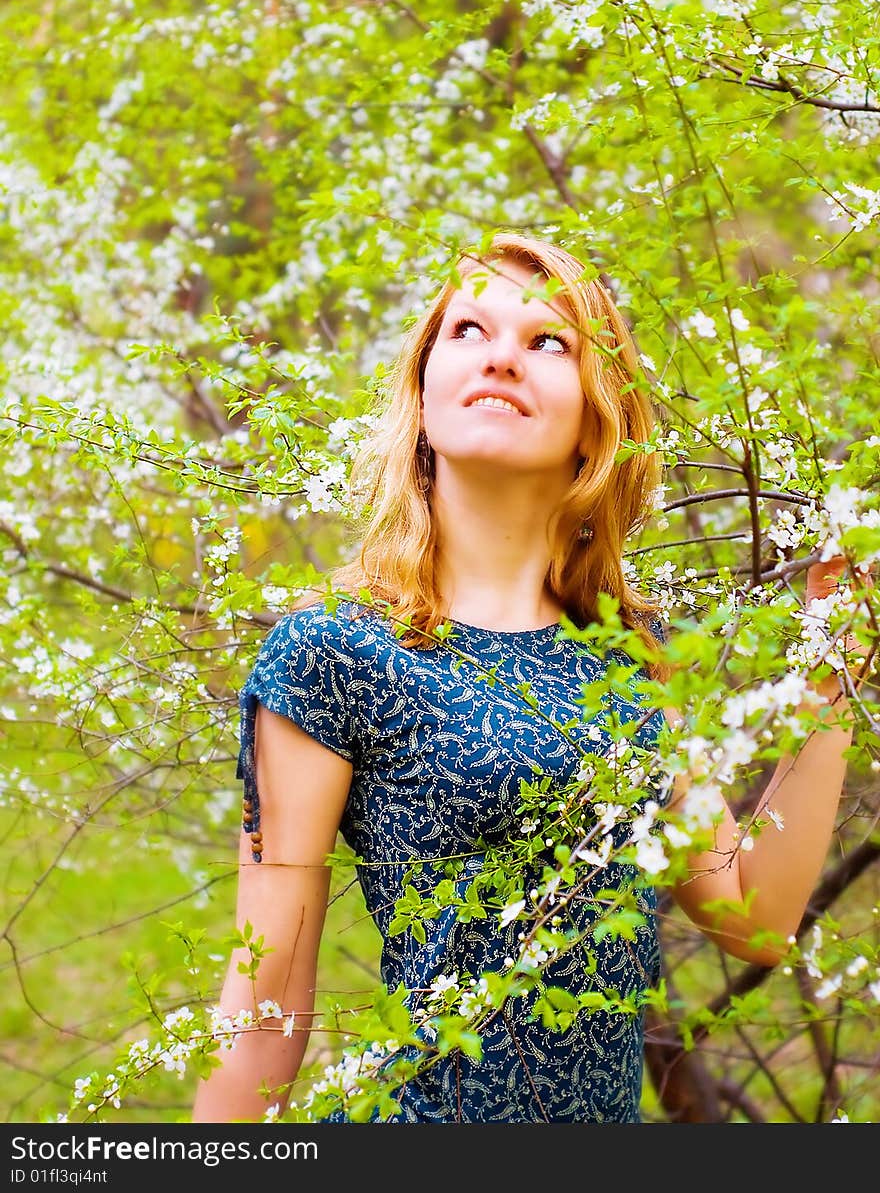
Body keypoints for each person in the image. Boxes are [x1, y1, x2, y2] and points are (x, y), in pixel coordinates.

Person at [192, 232, 871, 1124]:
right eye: (470, 329)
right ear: (425, 386)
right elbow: (264, 1003)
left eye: (549, 341)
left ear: (596, 420)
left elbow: (753, 917)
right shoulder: (334, 651)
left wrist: (835, 665)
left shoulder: (629, 650)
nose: (504, 355)